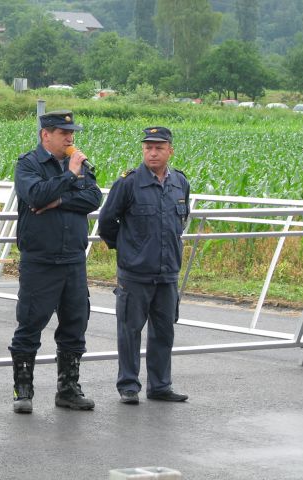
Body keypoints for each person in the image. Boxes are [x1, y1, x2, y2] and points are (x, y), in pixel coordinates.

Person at [9, 110, 103, 413]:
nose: (70, 138)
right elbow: (36, 195)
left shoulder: (79, 166)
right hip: (41, 260)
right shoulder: (28, 164)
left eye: (72, 133)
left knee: (76, 324)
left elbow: (93, 198)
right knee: (30, 324)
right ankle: (23, 390)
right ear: (45, 135)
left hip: (73, 259)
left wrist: (61, 200)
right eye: (64, 133)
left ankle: (68, 389)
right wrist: (68, 177)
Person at [98, 127, 190, 405]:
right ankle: (128, 385)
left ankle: (160, 386)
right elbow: (106, 223)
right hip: (135, 272)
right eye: (148, 147)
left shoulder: (180, 183)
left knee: (164, 331)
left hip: (167, 272)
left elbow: (181, 221)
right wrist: (127, 250)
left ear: (170, 150)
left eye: (159, 147)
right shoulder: (128, 182)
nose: (152, 152)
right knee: (129, 331)